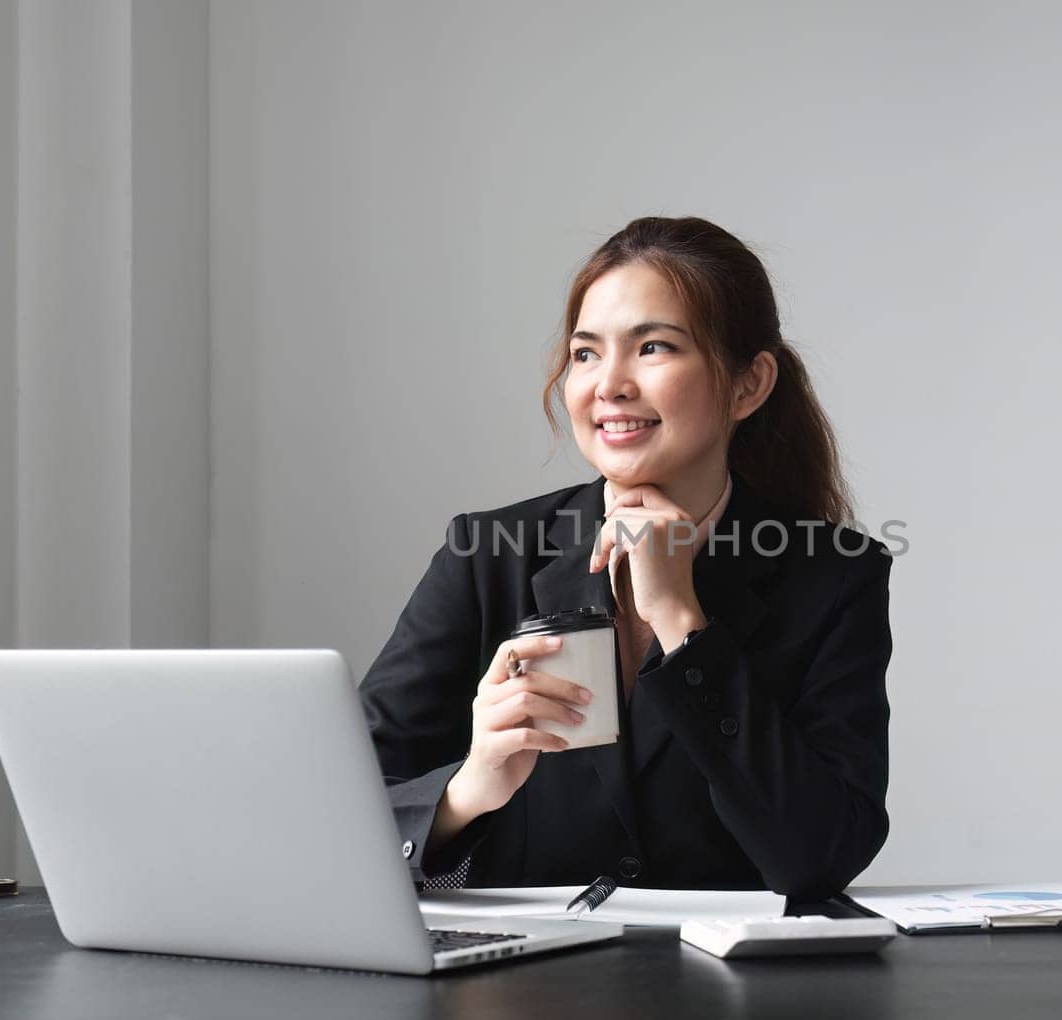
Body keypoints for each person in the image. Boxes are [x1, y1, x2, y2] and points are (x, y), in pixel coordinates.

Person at [358, 216, 893, 901]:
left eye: (653, 347)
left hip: (739, 996)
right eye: (585, 354)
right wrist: (469, 789)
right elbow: (337, 814)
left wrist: (680, 617)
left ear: (748, 384)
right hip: (522, 993)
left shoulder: (835, 574)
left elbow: (821, 855)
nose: (607, 384)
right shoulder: (484, 556)